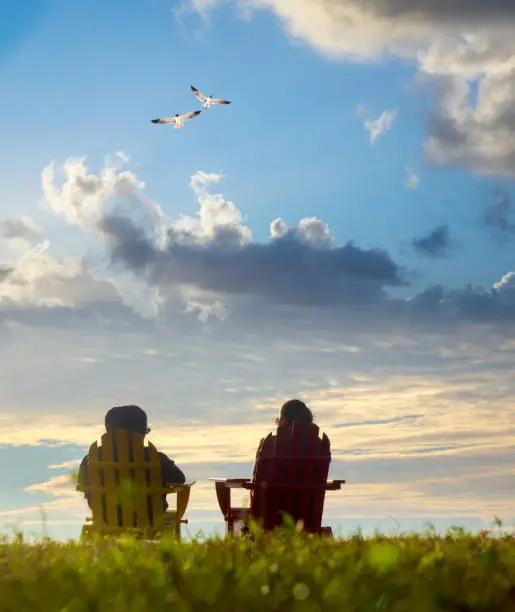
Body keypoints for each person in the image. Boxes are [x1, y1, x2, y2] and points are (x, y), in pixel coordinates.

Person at [77, 405, 185, 514]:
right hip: (151, 519)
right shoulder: (156, 458)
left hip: (104, 518)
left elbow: (82, 484)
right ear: (141, 432)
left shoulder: (91, 459)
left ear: (108, 430)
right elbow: (180, 480)